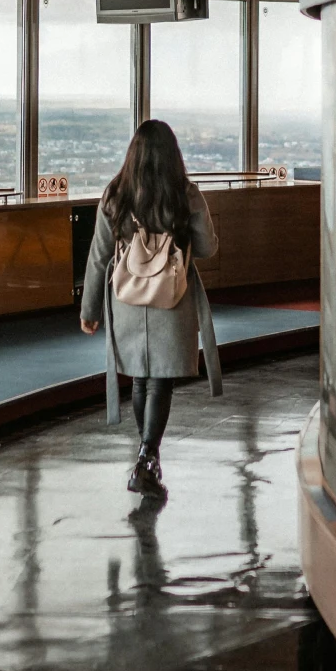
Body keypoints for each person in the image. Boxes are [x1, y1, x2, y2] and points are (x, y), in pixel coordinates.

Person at [80, 117, 221, 496]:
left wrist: (89, 309)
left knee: (141, 379)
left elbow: (99, 256)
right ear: (173, 155)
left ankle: (146, 455)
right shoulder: (185, 194)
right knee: (160, 381)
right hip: (171, 299)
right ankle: (147, 456)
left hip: (127, 300)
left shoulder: (115, 194)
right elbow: (208, 248)